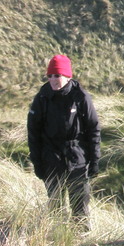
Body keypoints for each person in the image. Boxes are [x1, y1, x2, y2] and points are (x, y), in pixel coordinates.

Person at [27, 55, 101, 230]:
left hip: (77, 159)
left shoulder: (81, 97)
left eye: (57, 75)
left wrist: (95, 160)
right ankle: (58, 244)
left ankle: (82, 243)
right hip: (51, 159)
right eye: (50, 76)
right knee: (56, 208)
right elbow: (33, 134)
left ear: (67, 76)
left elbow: (93, 129)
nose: (53, 80)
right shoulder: (42, 98)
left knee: (80, 208)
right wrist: (37, 162)